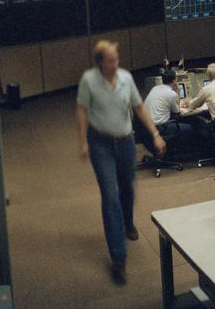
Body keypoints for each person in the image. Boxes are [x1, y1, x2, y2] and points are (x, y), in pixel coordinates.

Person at [76, 40, 165, 285]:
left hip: (126, 142)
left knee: (127, 188)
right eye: (111, 59)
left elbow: (139, 108)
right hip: (100, 144)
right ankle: (118, 257)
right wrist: (83, 141)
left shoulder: (126, 78)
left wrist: (155, 134)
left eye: (117, 58)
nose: (116, 63)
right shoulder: (89, 81)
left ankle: (127, 222)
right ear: (100, 62)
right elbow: (82, 110)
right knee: (110, 195)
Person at [143, 70, 192, 148]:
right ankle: (179, 153)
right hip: (159, 128)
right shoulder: (171, 94)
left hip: (146, 128)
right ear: (174, 80)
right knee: (188, 128)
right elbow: (177, 113)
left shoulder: (155, 88)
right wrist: (177, 93)